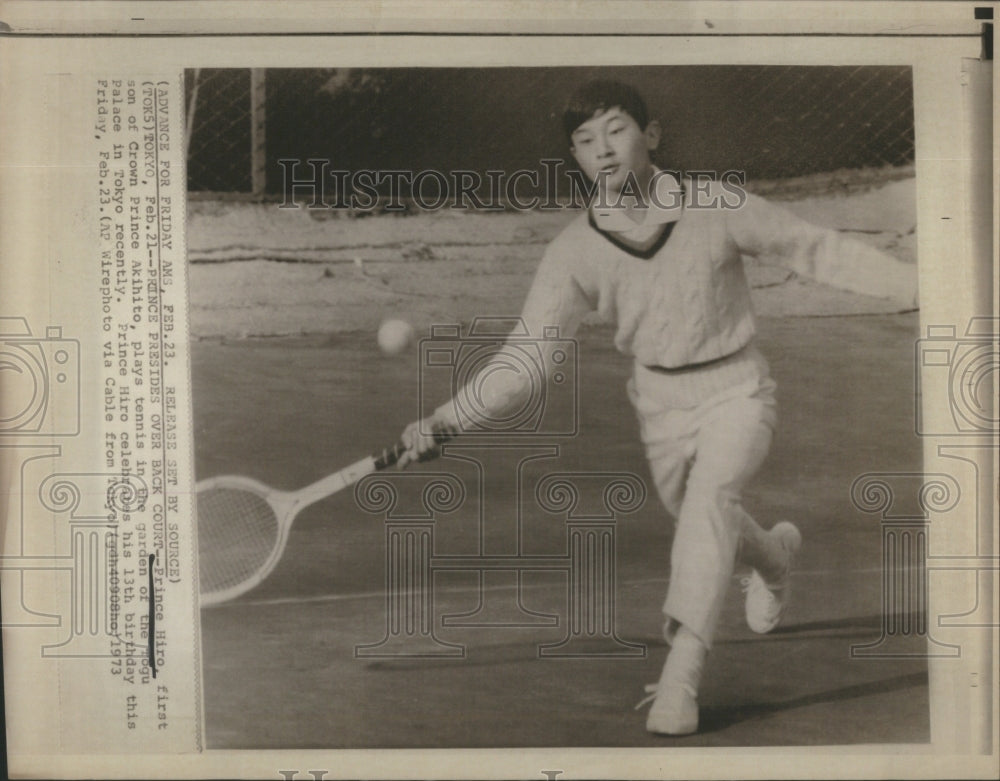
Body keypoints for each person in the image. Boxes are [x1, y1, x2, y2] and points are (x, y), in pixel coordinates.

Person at [397, 80, 918, 735]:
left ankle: (681, 677)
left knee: (708, 504)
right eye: (584, 141)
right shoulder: (573, 251)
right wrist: (445, 419)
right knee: (709, 513)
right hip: (660, 408)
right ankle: (775, 558)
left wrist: (923, 287)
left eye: (615, 129)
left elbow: (817, 249)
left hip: (738, 390)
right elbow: (526, 358)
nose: (602, 150)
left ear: (653, 135)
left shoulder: (717, 204)